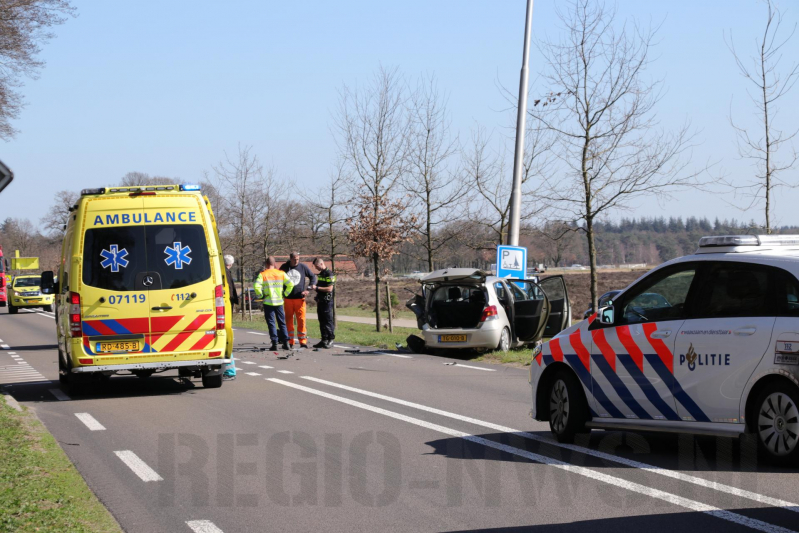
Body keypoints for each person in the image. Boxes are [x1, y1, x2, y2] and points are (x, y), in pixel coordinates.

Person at [254, 256, 293, 350]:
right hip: (279, 302)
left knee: (271, 323)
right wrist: (285, 294)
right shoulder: (281, 273)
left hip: (268, 302)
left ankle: (274, 343)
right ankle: (286, 343)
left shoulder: (263, 274)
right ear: (275, 264)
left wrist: (261, 295)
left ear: (266, 264)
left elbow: (256, 286)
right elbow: (290, 284)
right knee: (282, 323)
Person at [280, 252, 317, 348]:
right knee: (288, 320)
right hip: (288, 298)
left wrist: (308, 289)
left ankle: (303, 341)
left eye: (298, 259)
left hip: (300, 298)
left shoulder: (303, 267)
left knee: (301, 320)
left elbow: (313, 277)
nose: (296, 261)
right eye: (294, 259)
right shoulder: (284, 267)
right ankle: (290, 341)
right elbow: (278, 278)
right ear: (290, 259)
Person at [311, 257, 336, 349]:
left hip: (327, 301)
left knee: (328, 321)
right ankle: (324, 339)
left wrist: (317, 288)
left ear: (321, 264)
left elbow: (330, 289)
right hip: (320, 300)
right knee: (321, 321)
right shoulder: (321, 274)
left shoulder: (329, 274)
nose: (316, 268)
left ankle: (330, 339)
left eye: (317, 266)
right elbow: (320, 285)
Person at [222, 255, 239, 380]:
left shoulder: (224, 273)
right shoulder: (227, 273)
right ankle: (229, 370)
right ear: (231, 263)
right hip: (228, 306)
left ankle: (230, 371)